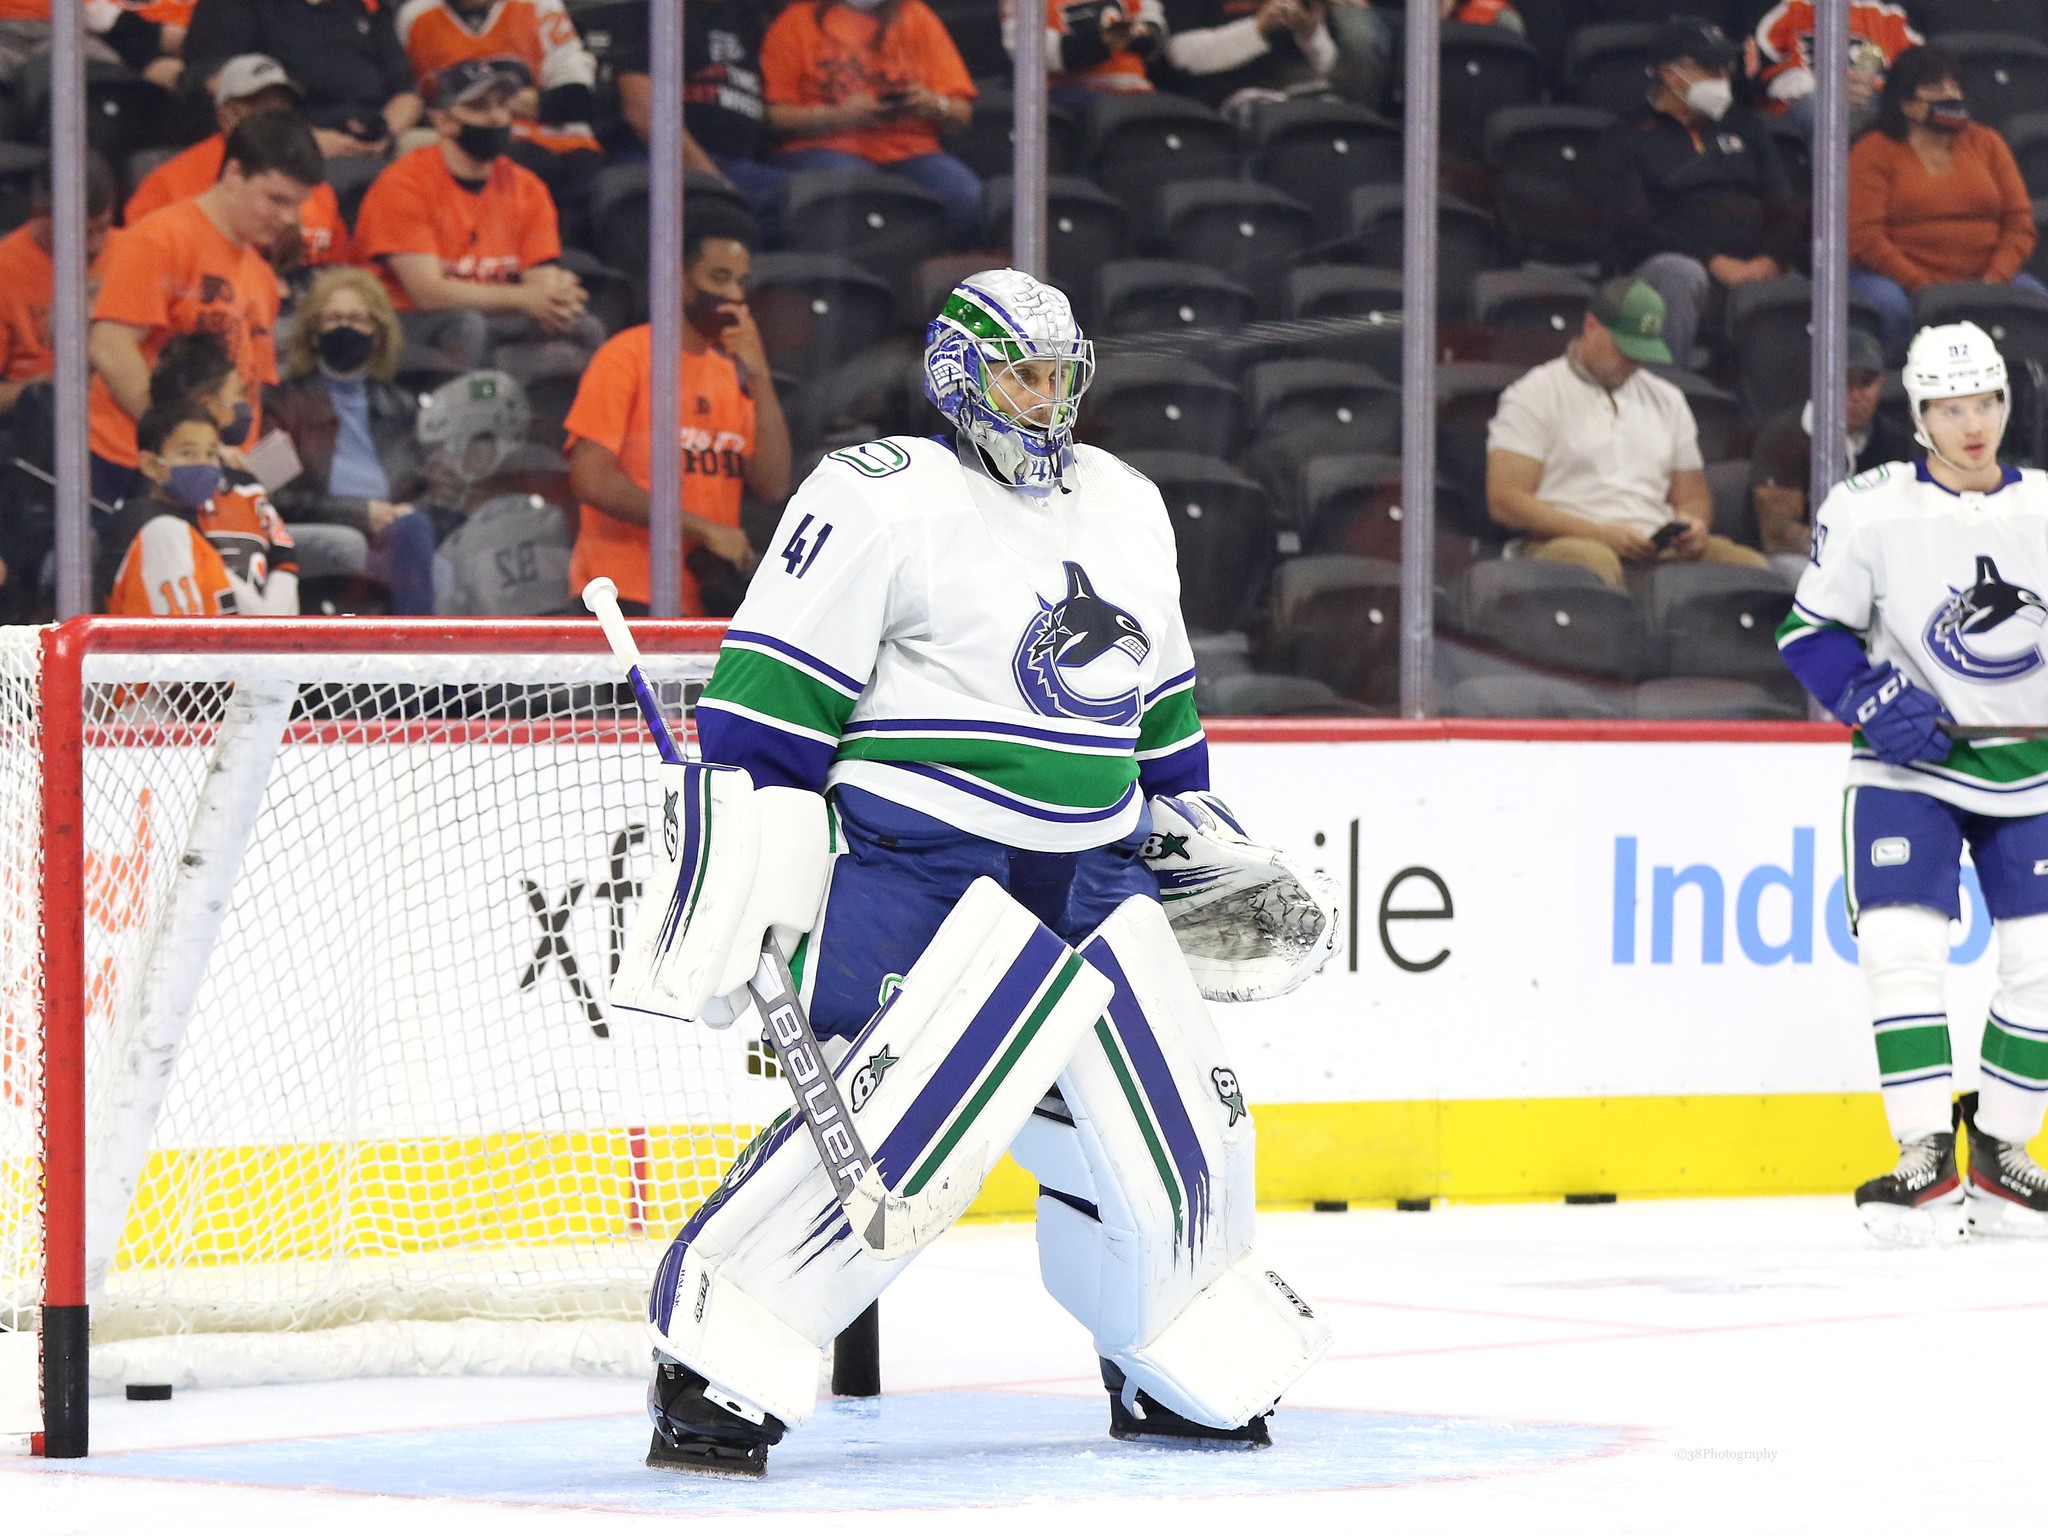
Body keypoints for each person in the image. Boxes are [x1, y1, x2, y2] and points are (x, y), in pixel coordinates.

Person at [613, 267, 1334, 1475]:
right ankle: (720, 1364)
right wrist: (753, 857)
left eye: (1062, 374)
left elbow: (1159, 711)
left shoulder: (1123, 501)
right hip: (922, 866)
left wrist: (1188, 828)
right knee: (895, 1128)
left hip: (1095, 867)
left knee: (1183, 1127)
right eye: (1021, 373)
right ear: (960, 375)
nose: (1047, 400)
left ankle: (1171, 1350)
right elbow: (768, 708)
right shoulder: (879, 496)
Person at [1777, 321, 2048, 1243]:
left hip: (2033, 771)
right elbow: (1810, 634)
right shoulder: (1869, 507)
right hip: (1909, 768)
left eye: (1985, 403)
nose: (1971, 424)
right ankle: (1923, 1154)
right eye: (1948, 407)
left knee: (2043, 965)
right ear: (1921, 413)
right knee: (1899, 948)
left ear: (2008, 404)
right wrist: (1869, 694)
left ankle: (2003, 1154)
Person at [88, 109, 324, 510]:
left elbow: (251, 387)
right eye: (276, 199)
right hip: (134, 468)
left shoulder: (261, 275)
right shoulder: (161, 238)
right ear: (233, 174)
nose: (288, 218)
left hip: (215, 477)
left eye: (297, 204)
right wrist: (183, 440)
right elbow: (110, 347)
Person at [567, 201, 788, 619]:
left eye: (740, 282)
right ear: (679, 279)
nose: (733, 295)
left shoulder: (730, 373)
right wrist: (702, 528)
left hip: (705, 604)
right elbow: (590, 478)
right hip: (622, 598)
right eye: (718, 278)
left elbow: (772, 483)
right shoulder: (626, 356)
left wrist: (759, 376)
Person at [1486, 277, 1769, 590]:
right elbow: (1505, 500)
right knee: (1596, 562)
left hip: (1655, 542)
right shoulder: (1534, 394)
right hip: (1566, 539)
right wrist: (1599, 533)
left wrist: (1693, 523)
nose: (1633, 360)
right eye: (1624, 348)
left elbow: (1691, 494)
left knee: (1750, 568)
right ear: (1592, 326)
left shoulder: (1668, 399)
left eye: (1642, 351)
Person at [353, 56, 602, 375]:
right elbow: (427, 292)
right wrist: (526, 297)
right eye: (479, 107)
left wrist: (558, 298)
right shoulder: (403, 184)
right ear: (443, 121)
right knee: (468, 327)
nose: (497, 117)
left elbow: (540, 281)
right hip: (412, 322)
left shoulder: (526, 187)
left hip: (496, 315)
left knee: (584, 327)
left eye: (502, 104)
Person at [1598, 15, 1799, 372]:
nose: (1724, 80)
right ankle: (1664, 395)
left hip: (1756, 267)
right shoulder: (1627, 134)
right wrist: (1714, 261)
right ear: (1671, 74)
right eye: (1711, 69)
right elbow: (1633, 228)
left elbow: (1784, 207)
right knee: (1681, 274)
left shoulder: (1745, 124)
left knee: (1815, 290)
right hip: (1670, 266)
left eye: (1726, 68)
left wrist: (1769, 260)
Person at [1849, 45, 2042, 367]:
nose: (1950, 94)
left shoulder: (1987, 142)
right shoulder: (1873, 151)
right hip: (1897, 280)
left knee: (2034, 301)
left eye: (1955, 86)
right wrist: (1922, 286)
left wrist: (1994, 280)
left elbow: (2019, 223)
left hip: (1985, 276)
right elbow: (1865, 237)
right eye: (1936, 88)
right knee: (1892, 307)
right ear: (1907, 103)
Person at [265, 265, 431, 602]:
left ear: (376, 332)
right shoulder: (283, 403)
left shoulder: (401, 405)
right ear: (313, 332)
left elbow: (432, 484)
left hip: (397, 532)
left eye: (358, 319)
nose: (346, 328)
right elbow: (273, 497)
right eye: (334, 319)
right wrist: (357, 513)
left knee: (421, 534)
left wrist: (405, 511)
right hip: (331, 529)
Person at [760, 0, 983, 249]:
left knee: (965, 193)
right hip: (823, 148)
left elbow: (962, 113)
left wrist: (932, 103)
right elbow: (773, 116)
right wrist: (837, 116)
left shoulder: (916, 16)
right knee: (859, 189)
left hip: (912, 151)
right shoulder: (796, 21)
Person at [125, 55, 354, 272]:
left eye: (281, 110)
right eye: (260, 109)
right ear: (227, 115)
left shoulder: (312, 184)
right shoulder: (168, 183)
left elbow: (339, 270)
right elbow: (137, 263)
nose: (273, 121)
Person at [392, 0, 602, 231]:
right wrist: (517, 101)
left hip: (562, 143)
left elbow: (576, 100)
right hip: (475, 143)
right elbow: (414, 100)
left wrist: (478, 99)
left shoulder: (540, 6)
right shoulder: (415, 16)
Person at [98, 401, 299, 615]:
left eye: (211, 454)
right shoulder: (141, 522)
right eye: (188, 454)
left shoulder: (197, 518)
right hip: (149, 645)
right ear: (150, 465)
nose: (202, 464)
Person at [1750, 327, 1913, 582]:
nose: (1856, 395)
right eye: (1845, 382)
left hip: (1875, 555)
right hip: (1800, 558)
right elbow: (1777, 535)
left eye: (1866, 383)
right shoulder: (1784, 436)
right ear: (1821, 382)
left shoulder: (1895, 440)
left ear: (1881, 385)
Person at [618, 0, 788, 239]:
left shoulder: (751, 18)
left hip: (745, 168)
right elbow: (642, 110)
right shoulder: (662, 12)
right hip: (666, 162)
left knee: (807, 199)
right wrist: (710, 177)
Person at [183, 0, 420, 158]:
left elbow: (406, 93)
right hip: (282, 146)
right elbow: (216, 83)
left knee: (437, 152)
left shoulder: (367, 6)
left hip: (378, 141)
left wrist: (382, 135)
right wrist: (301, 140)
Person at [0, 152, 117, 422]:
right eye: (82, 232)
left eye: (103, 229)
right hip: (42, 419)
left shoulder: (134, 251)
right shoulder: (6, 268)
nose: (95, 245)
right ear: (40, 214)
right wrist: (47, 386)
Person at [1157, 0, 1396, 119]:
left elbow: (1327, 65)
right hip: (1223, 101)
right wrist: (1258, 28)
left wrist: (1309, 35)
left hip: (1301, 95)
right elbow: (1181, 55)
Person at [1749, 0, 1920, 142]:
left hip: (1873, 104)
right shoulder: (1789, 8)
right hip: (1811, 102)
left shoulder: (1890, 16)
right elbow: (1755, 70)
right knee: (1818, 110)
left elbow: (1924, 71)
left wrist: (1884, 92)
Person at [1002, 0, 1165, 112]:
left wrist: (1142, 33)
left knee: (1170, 117)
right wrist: (1102, 40)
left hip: (1136, 89)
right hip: (1064, 92)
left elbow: (1154, 29)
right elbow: (1026, 49)